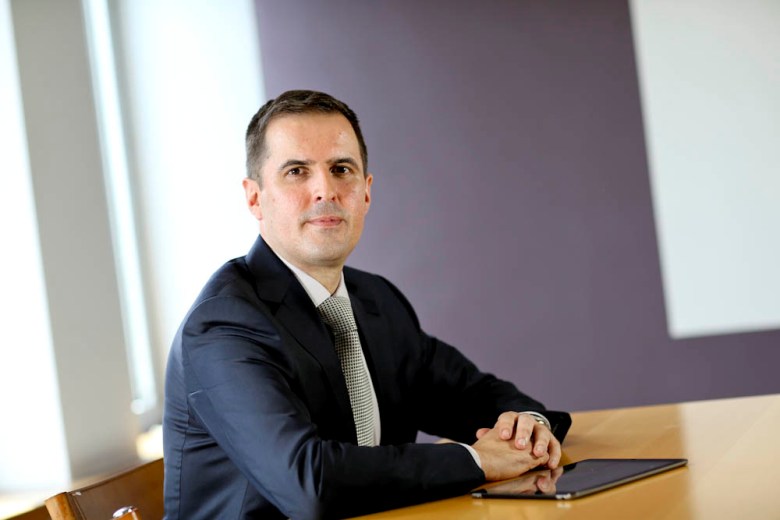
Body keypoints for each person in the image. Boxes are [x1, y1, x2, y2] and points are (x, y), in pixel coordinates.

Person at [163, 90, 571, 519]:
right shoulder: (225, 325)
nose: (325, 190)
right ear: (254, 198)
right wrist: (478, 461)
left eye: (341, 170)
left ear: (366, 193)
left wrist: (528, 428)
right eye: (297, 171)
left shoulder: (376, 301)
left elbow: (475, 396)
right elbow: (309, 483)